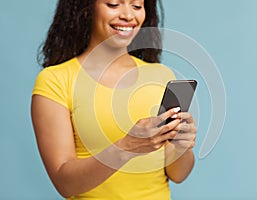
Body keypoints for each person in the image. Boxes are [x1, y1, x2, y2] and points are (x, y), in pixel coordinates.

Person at [31, 0, 198, 199]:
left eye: (137, 6)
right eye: (113, 4)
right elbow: (65, 184)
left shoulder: (161, 75)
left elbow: (178, 174)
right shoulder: (55, 80)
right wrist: (127, 146)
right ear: (86, 9)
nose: (128, 15)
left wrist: (180, 146)